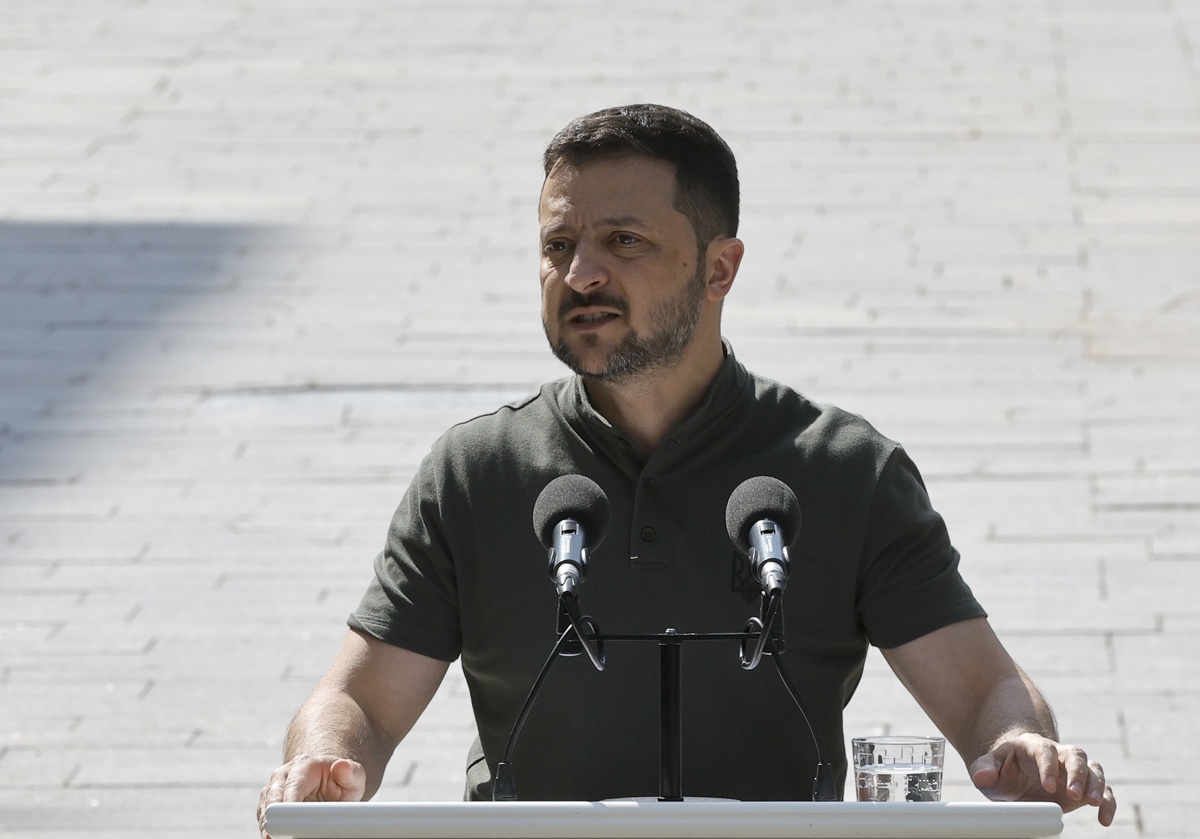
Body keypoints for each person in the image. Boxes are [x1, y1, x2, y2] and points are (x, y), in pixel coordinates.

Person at [257, 104, 1116, 834]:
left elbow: (984, 689)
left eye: (622, 240)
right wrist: (324, 757)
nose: (579, 273)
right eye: (558, 244)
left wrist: (1017, 742)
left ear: (720, 269)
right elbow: (360, 698)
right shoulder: (477, 470)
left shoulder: (844, 468)